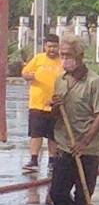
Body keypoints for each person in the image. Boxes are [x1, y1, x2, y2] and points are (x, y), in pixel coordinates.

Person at [49, 35, 99, 205]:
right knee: (58, 193)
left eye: (68, 55)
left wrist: (84, 142)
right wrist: (54, 107)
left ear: (80, 56)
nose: (64, 59)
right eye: (62, 55)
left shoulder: (94, 82)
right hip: (65, 144)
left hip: (88, 148)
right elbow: (55, 115)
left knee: (83, 197)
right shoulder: (60, 80)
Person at [21, 34, 62, 174]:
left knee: (53, 136)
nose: (52, 49)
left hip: (56, 105)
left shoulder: (62, 61)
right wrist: (28, 76)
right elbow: (25, 73)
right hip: (37, 104)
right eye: (49, 46)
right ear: (45, 46)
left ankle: (52, 161)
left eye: (54, 47)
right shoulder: (38, 58)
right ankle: (34, 160)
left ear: (59, 47)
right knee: (35, 134)